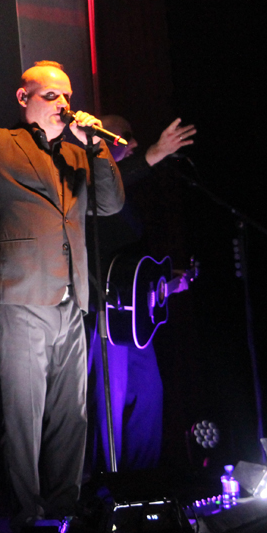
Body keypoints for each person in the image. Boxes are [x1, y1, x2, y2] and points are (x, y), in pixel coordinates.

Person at [0, 60, 125, 533]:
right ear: (24, 98)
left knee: (71, 416)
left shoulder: (77, 153)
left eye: (67, 96)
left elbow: (110, 203)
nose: (63, 104)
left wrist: (96, 147)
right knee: (23, 417)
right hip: (17, 296)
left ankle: (64, 516)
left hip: (71, 298)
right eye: (51, 95)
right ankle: (30, 523)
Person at [84, 114, 196, 473]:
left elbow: (130, 263)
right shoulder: (88, 181)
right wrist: (156, 152)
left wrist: (163, 283)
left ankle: (142, 481)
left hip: (131, 318)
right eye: (125, 135)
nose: (132, 142)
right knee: (110, 402)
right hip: (104, 314)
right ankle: (108, 485)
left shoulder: (126, 197)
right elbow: (110, 184)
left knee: (148, 394)